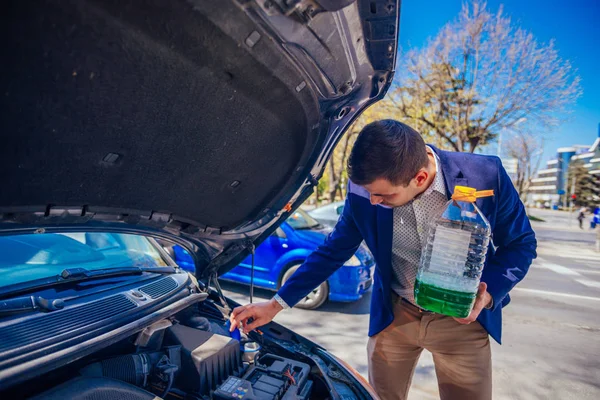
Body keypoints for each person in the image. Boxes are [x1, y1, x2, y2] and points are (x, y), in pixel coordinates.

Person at [230, 120, 537, 400]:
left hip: (461, 322)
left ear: (419, 177)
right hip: (395, 315)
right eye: (369, 194)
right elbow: (335, 248)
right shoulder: (364, 190)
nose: (373, 201)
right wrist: (275, 305)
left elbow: (521, 244)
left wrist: (488, 293)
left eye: (384, 196)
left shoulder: (486, 175)